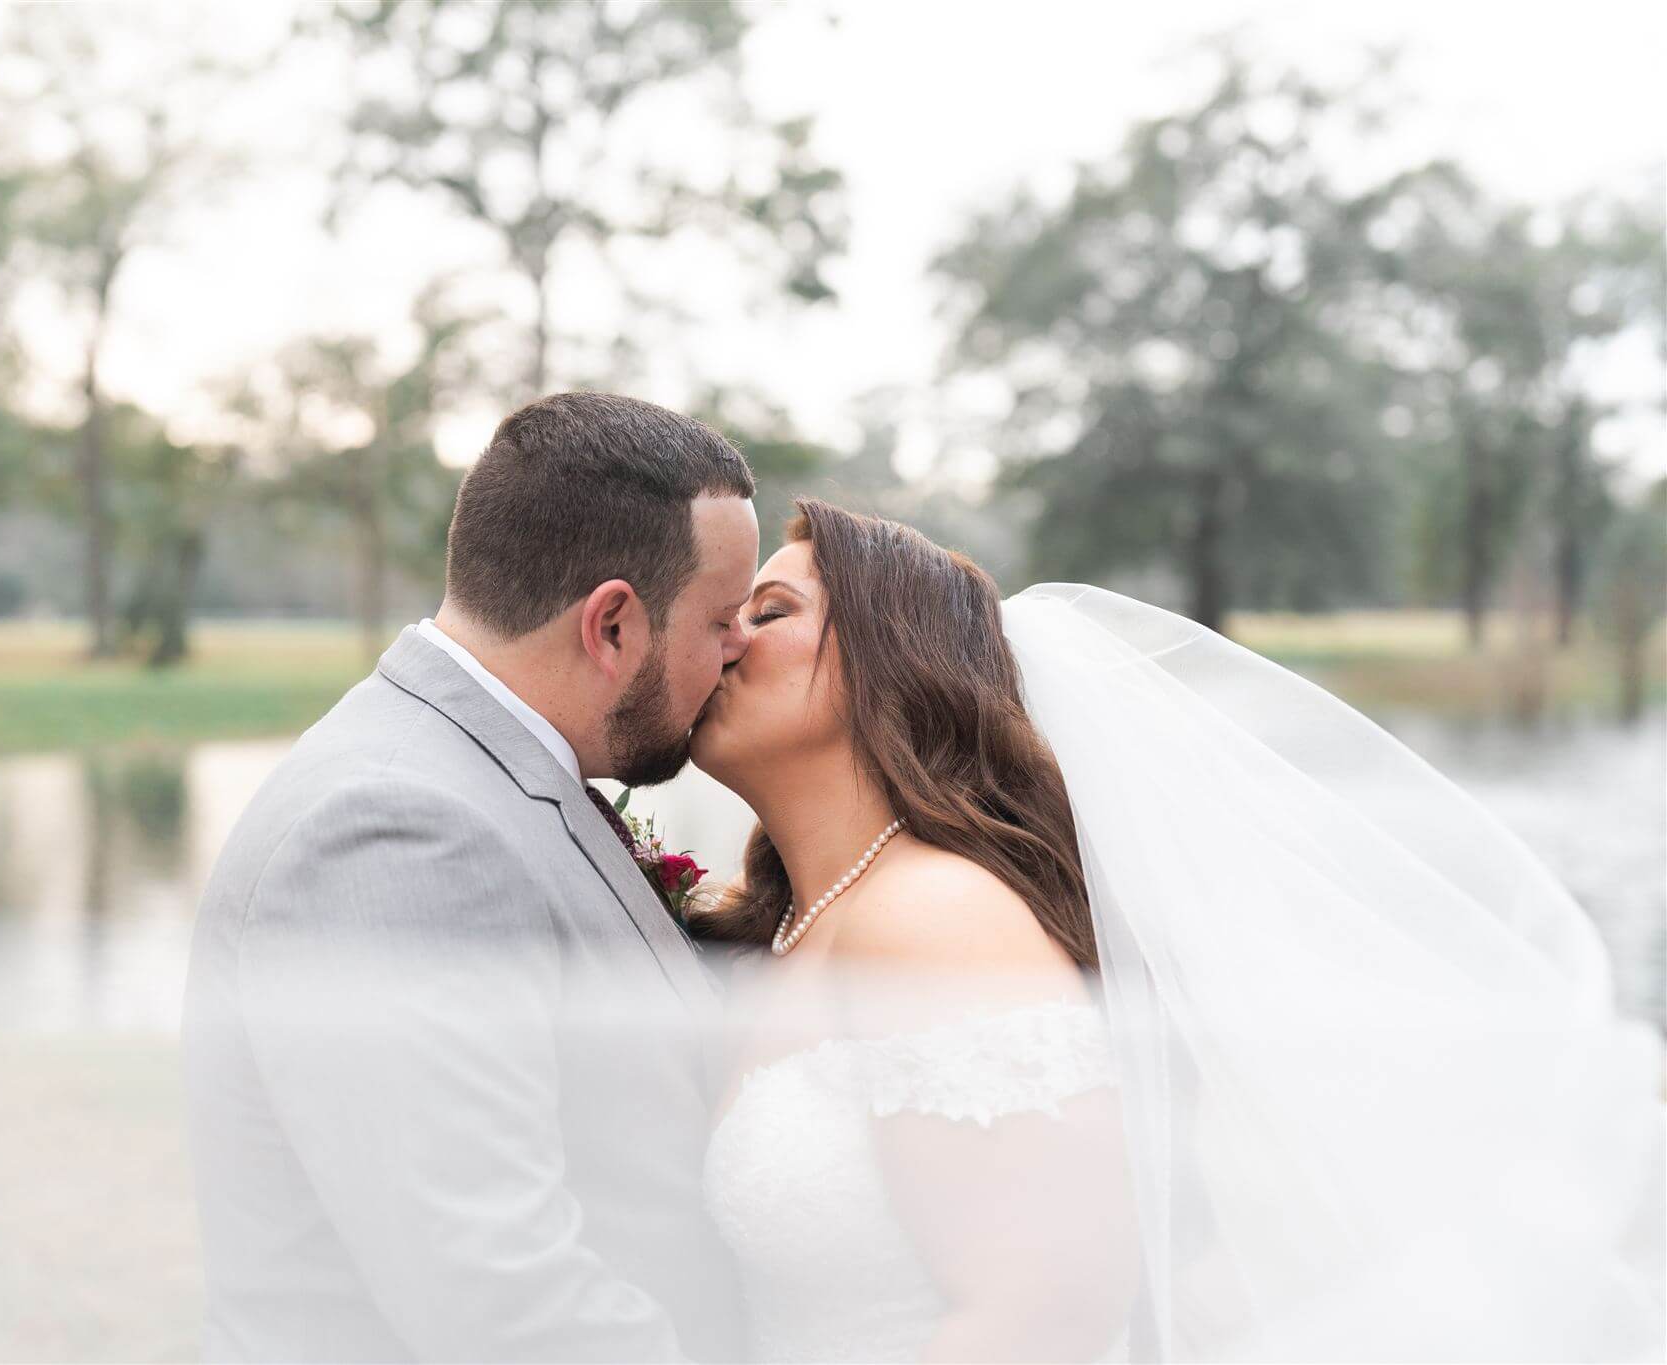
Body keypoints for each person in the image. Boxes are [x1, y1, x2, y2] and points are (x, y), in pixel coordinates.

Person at [687, 497, 1665, 1363]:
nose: (725, 636)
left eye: (769, 613)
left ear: (894, 663)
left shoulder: (935, 916)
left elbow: (1044, 1315)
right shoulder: (809, 922)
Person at [182, 392, 758, 1361]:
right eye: (721, 618)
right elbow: (495, 1298)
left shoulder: (487, 774)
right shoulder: (397, 829)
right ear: (611, 625)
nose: (740, 647)